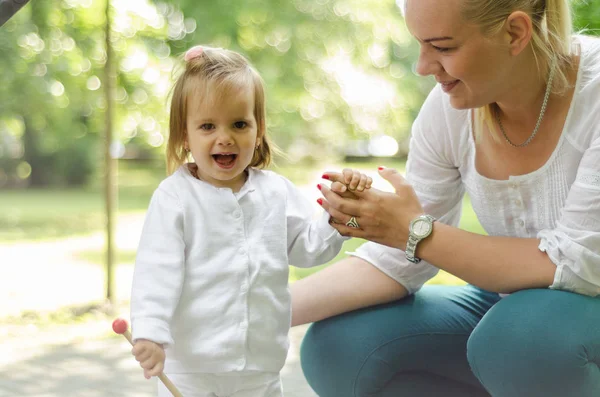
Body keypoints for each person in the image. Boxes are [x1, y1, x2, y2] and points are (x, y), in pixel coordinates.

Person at [292, 0, 600, 396]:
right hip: (515, 315)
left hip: (560, 316)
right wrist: (257, 310)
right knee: (339, 344)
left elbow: (580, 265)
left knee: (520, 341)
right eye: (420, 44)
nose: (422, 66)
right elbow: (399, 259)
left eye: (443, 47)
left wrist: (418, 232)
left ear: (515, 33)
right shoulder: (451, 107)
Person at [128, 45, 372, 397]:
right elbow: (156, 272)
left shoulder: (275, 191)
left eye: (239, 124)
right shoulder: (175, 198)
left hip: (260, 366)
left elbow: (308, 247)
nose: (224, 137)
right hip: (192, 369)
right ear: (185, 135)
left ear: (258, 131)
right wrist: (149, 332)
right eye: (208, 126)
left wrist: (340, 210)